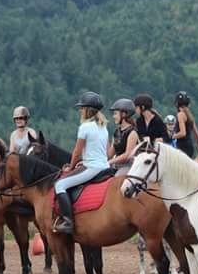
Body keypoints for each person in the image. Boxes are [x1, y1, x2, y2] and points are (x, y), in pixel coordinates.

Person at [53, 91, 110, 234]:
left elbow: (77, 152)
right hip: (105, 166)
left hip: (92, 168)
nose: (80, 110)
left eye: (82, 108)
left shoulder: (85, 127)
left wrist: (71, 167)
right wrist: (84, 161)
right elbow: (107, 151)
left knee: (60, 185)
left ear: (87, 110)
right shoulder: (103, 126)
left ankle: (68, 221)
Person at [108, 98, 140, 176]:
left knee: (116, 178)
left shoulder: (133, 132)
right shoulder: (117, 132)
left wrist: (110, 162)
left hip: (129, 166)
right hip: (116, 165)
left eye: (115, 113)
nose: (113, 116)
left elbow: (127, 155)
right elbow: (109, 154)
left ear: (124, 114)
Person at [170, 91, 198, 159]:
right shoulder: (190, 116)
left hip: (182, 147)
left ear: (177, 104)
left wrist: (171, 136)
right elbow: (197, 135)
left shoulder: (180, 114)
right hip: (190, 147)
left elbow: (183, 133)